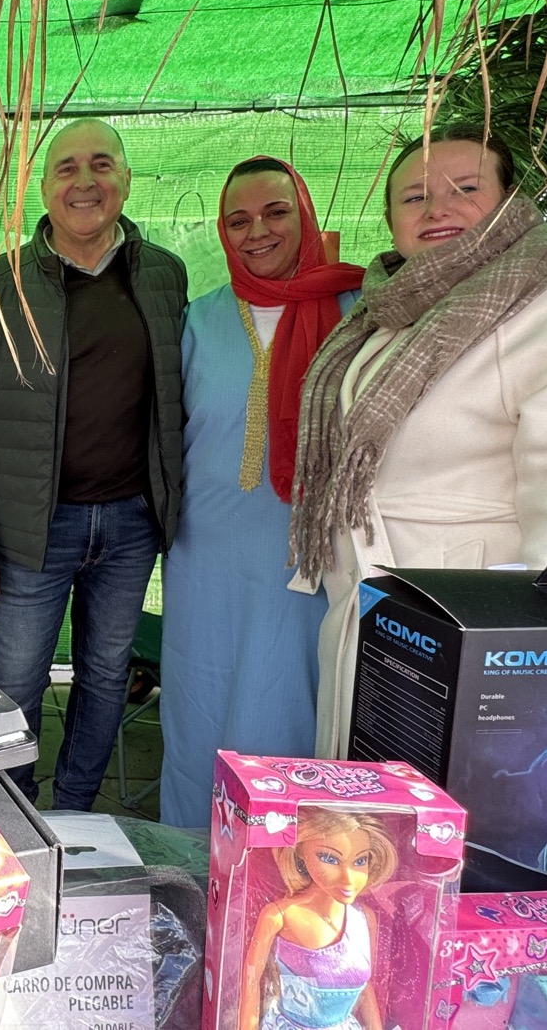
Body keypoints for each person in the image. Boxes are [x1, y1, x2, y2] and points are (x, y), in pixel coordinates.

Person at [289, 125, 547, 758]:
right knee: (374, 812)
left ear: (512, 203)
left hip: (481, 648)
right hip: (382, 628)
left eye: (465, 188)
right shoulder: (390, 317)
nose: (437, 208)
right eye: (414, 197)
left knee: (460, 813)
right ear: (391, 221)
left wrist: (536, 677)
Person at [0, 118, 187, 810]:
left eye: (102, 164)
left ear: (126, 179)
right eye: (67, 168)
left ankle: (75, 813)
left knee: (105, 675)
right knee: (15, 681)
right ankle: (10, 815)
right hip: (31, 529)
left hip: (131, 524)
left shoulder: (164, 275)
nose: (85, 181)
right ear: (43, 188)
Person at [159, 157, 364, 827]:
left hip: (311, 554)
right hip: (205, 551)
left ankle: (293, 855)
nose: (258, 232)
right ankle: (191, 852)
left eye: (275, 212)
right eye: (238, 220)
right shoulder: (196, 321)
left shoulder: (359, 314)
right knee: (200, 700)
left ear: (304, 214)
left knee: (293, 698)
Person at [239, 808, 396, 1030]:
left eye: (360, 861)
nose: (348, 878)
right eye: (329, 858)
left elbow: (366, 987)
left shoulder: (363, 918)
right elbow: (251, 980)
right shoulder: (279, 915)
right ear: (300, 851)